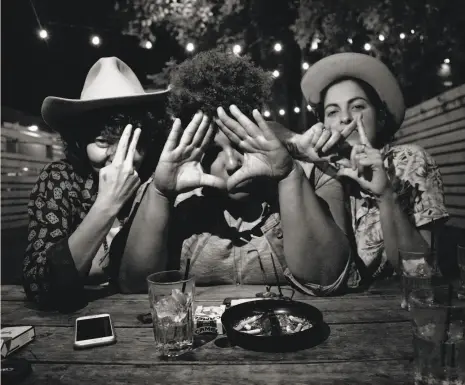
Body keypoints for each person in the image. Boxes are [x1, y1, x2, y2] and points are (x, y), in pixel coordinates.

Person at [122, 49, 352, 295]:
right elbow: (135, 287)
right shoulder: (173, 193)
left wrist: (288, 176)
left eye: (239, 144)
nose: (232, 163)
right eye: (213, 151)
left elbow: (328, 278)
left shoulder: (311, 176)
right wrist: (160, 193)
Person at [287, 52, 449, 287]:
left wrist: (385, 195)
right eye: (332, 111)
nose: (345, 118)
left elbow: (421, 273)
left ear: (380, 117)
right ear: (322, 123)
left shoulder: (407, 160)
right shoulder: (315, 170)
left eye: (357, 107)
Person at [23, 56, 170, 309]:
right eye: (103, 141)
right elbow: (40, 285)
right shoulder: (59, 179)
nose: (118, 159)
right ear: (80, 141)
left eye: (131, 143)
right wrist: (108, 203)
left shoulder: (159, 180)